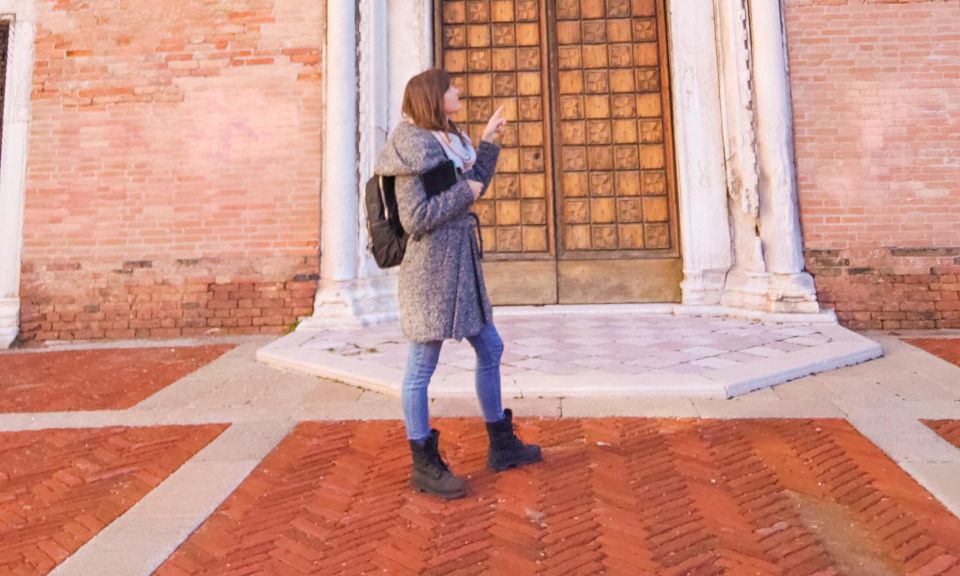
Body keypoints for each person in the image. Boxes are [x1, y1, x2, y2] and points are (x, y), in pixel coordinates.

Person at [375, 68, 542, 500]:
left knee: (491, 348)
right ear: (433, 96)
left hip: (461, 266)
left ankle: (501, 443)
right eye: (451, 87)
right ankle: (423, 462)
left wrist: (489, 141)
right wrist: (463, 193)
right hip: (430, 273)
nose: (458, 91)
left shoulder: (447, 138)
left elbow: (475, 184)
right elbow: (416, 218)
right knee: (421, 368)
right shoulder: (411, 149)